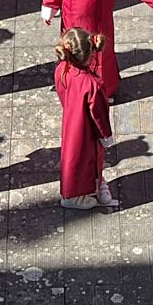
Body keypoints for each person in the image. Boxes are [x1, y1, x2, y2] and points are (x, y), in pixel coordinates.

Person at [52, 29, 115, 212]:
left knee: (73, 157)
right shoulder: (92, 83)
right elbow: (99, 114)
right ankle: (74, 195)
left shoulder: (62, 70)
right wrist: (106, 135)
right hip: (86, 128)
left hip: (71, 118)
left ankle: (89, 185)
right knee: (85, 157)